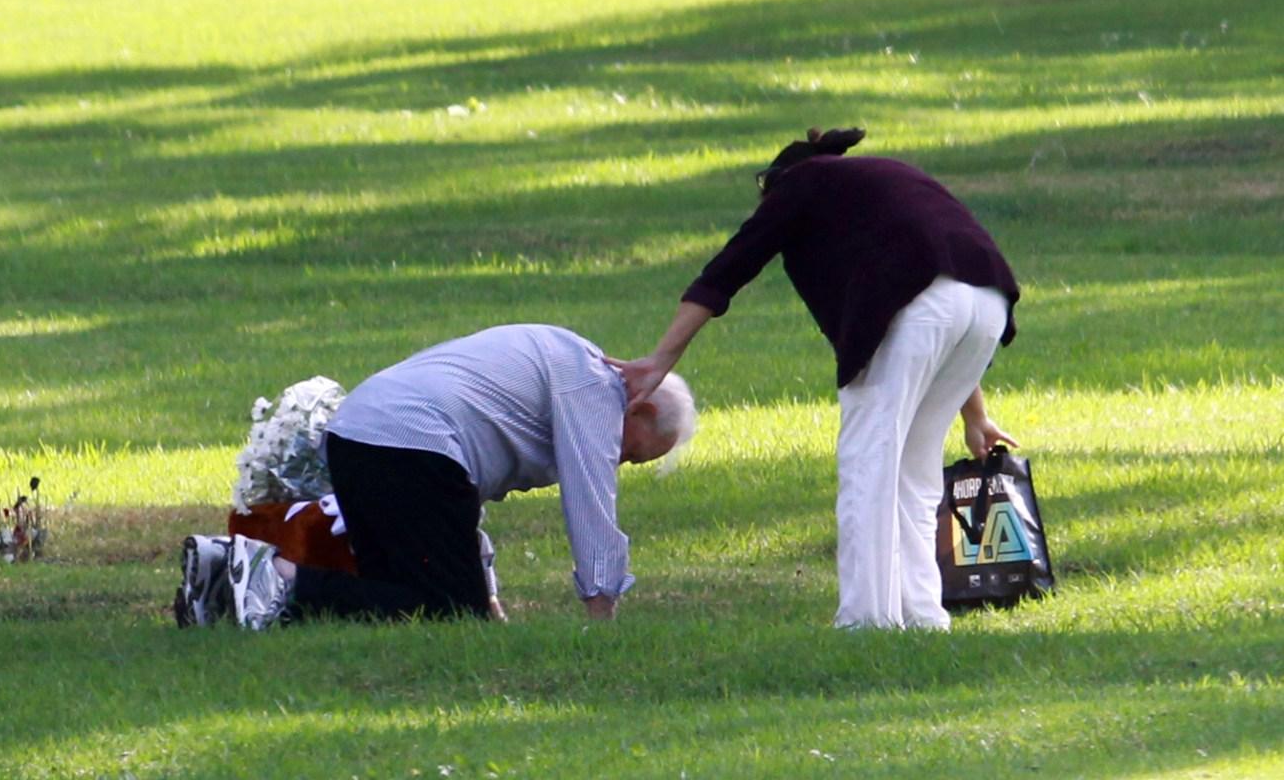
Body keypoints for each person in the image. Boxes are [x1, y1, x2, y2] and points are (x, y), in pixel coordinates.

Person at [610, 128, 1019, 631]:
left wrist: (659, 360)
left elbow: (724, 273)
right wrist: (974, 414)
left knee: (869, 464)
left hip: (921, 305)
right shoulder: (873, 183)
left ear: (772, 186)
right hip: (988, 301)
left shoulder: (799, 187)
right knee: (914, 472)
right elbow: (942, 291)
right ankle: (922, 616)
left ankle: (868, 622)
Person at [177, 324, 696, 630]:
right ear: (641, 411)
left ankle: (228, 586)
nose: (619, 461)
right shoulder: (594, 390)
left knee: (401, 595)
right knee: (448, 610)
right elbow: (591, 505)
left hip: (360, 439)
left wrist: (484, 591)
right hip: (405, 447)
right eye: (634, 454)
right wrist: (602, 612)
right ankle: (270, 574)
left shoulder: (568, 360)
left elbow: (459, 498)